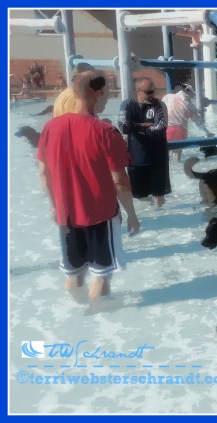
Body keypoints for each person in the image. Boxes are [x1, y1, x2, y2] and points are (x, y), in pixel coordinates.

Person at [36, 69, 140, 299]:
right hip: (100, 216)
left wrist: (54, 206)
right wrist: (131, 214)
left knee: (73, 273)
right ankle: (100, 318)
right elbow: (120, 181)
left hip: (66, 215)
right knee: (102, 275)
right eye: (108, 91)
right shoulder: (105, 131)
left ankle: (73, 320)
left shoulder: (50, 127)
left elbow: (44, 173)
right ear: (99, 93)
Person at [118, 77, 170, 207]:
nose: (152, 95)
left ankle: (161, 220)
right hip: (136, 159)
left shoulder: (159, 105)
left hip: (158, 158)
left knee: (159, 196)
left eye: (153, 91)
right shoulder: (127, 105)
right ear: (138, 91)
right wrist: (144, 125)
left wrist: (135, 128)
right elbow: (123, 126)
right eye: (148, 92)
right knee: (139, 195)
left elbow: (160, 129)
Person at [162, 84, 213, 161]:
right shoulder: (190, 105)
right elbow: (198, 121)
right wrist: (207, 131)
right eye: (193, 94)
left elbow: (160, 110)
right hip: (181, 130)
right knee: (177, 156)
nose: (193, 96)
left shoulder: (167, 97)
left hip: (167, 129)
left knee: (164, 154)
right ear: (189, 93)